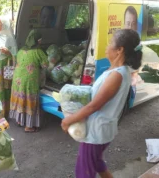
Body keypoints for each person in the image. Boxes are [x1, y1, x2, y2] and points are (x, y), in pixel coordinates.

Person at [61, 29, 143, 178]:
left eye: (110, 43)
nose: (107, 46)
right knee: (98, 163)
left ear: (119, 50)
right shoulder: (116, 71)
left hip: (96, 132)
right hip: (102, 129)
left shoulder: (117, 75)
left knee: (84, 172)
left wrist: (69, 120)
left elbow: (94, 105)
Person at [9, 29, 48, 132]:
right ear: (36, 40)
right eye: (39, 39)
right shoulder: (38, 52)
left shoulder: (21, 50)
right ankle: (29, 126)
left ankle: (19, 120)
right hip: (29, 81)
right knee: (29, 99)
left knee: (20, 98)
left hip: (17, 79)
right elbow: (45, 65)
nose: (40, 41)